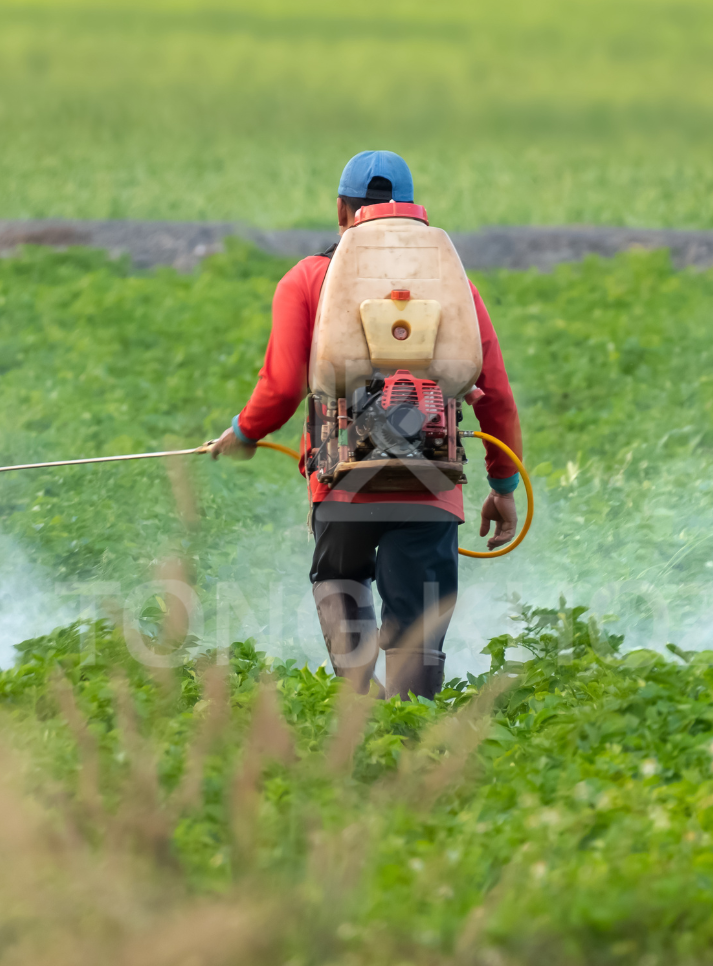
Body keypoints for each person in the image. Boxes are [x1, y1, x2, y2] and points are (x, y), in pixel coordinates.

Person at [208, 150, 524, 700]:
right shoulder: (454, 290)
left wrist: (244, 433)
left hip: (343, 481)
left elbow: (282, 387)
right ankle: (412, 732)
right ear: (411, 214)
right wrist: (502, 487)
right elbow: (492, 392)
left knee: (338, 580)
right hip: (431, 486)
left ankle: (360, 704)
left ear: (341, 210)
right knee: (418, 629)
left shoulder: (307, 280)